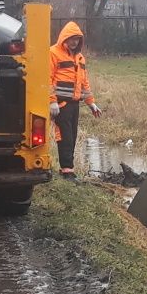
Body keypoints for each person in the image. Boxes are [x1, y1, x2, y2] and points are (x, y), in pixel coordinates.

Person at [49, 21, 102, 179]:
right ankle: (67, 170)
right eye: (72, 38)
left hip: (74, 104)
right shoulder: (53, 53)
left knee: (72, 135)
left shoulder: (80, 58)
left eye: (77, 39)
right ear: (64, 37)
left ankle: (68, 168)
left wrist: (91, 103)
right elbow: (47, 78)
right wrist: (52, 101)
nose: (74, 42)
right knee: (65, 136)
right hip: (61, 104)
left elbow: (84, 83)